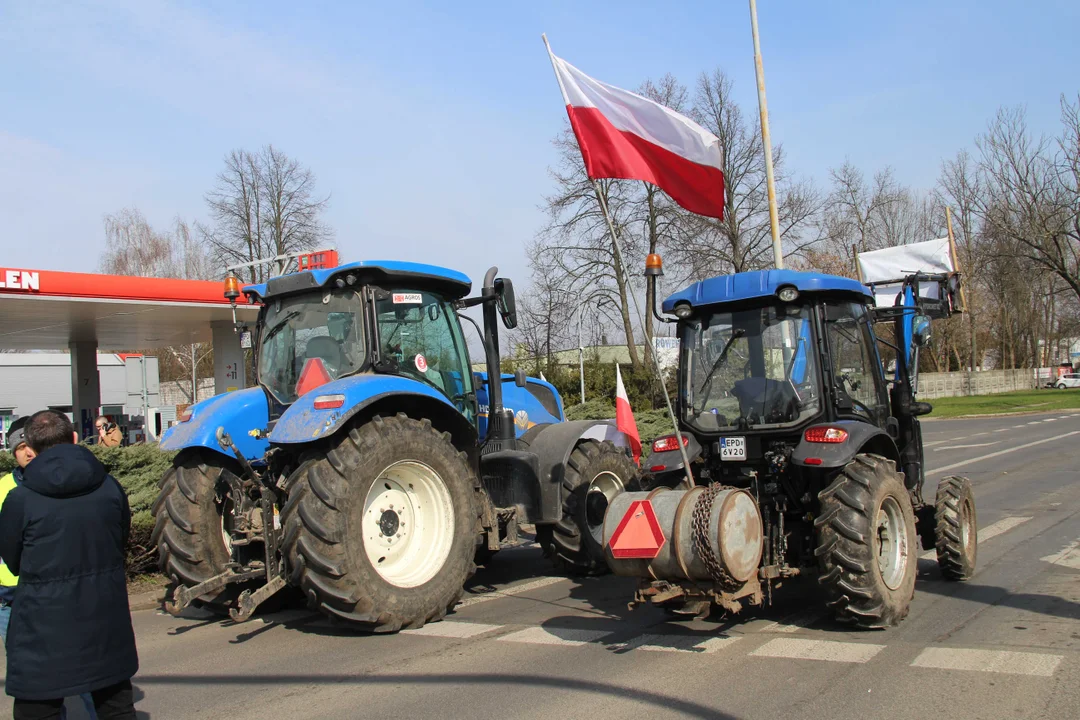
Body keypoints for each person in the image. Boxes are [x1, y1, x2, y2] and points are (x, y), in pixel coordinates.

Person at [0, 410, 138, 720]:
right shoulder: (110, 487)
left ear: (31, 449)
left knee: (37, 710)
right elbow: (120, 541)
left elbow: (13, 560)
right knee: (116, 708)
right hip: (105, 620)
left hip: (40, 629)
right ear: (75, 438)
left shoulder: (20, 500)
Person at [1, 418, 99, 720]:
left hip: (60, 594)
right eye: (20, 448)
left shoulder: (68, 485)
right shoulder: (6, 488)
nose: (27, 453)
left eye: (30, 446)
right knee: (36, 678)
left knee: (87, 671)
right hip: (11, 598)